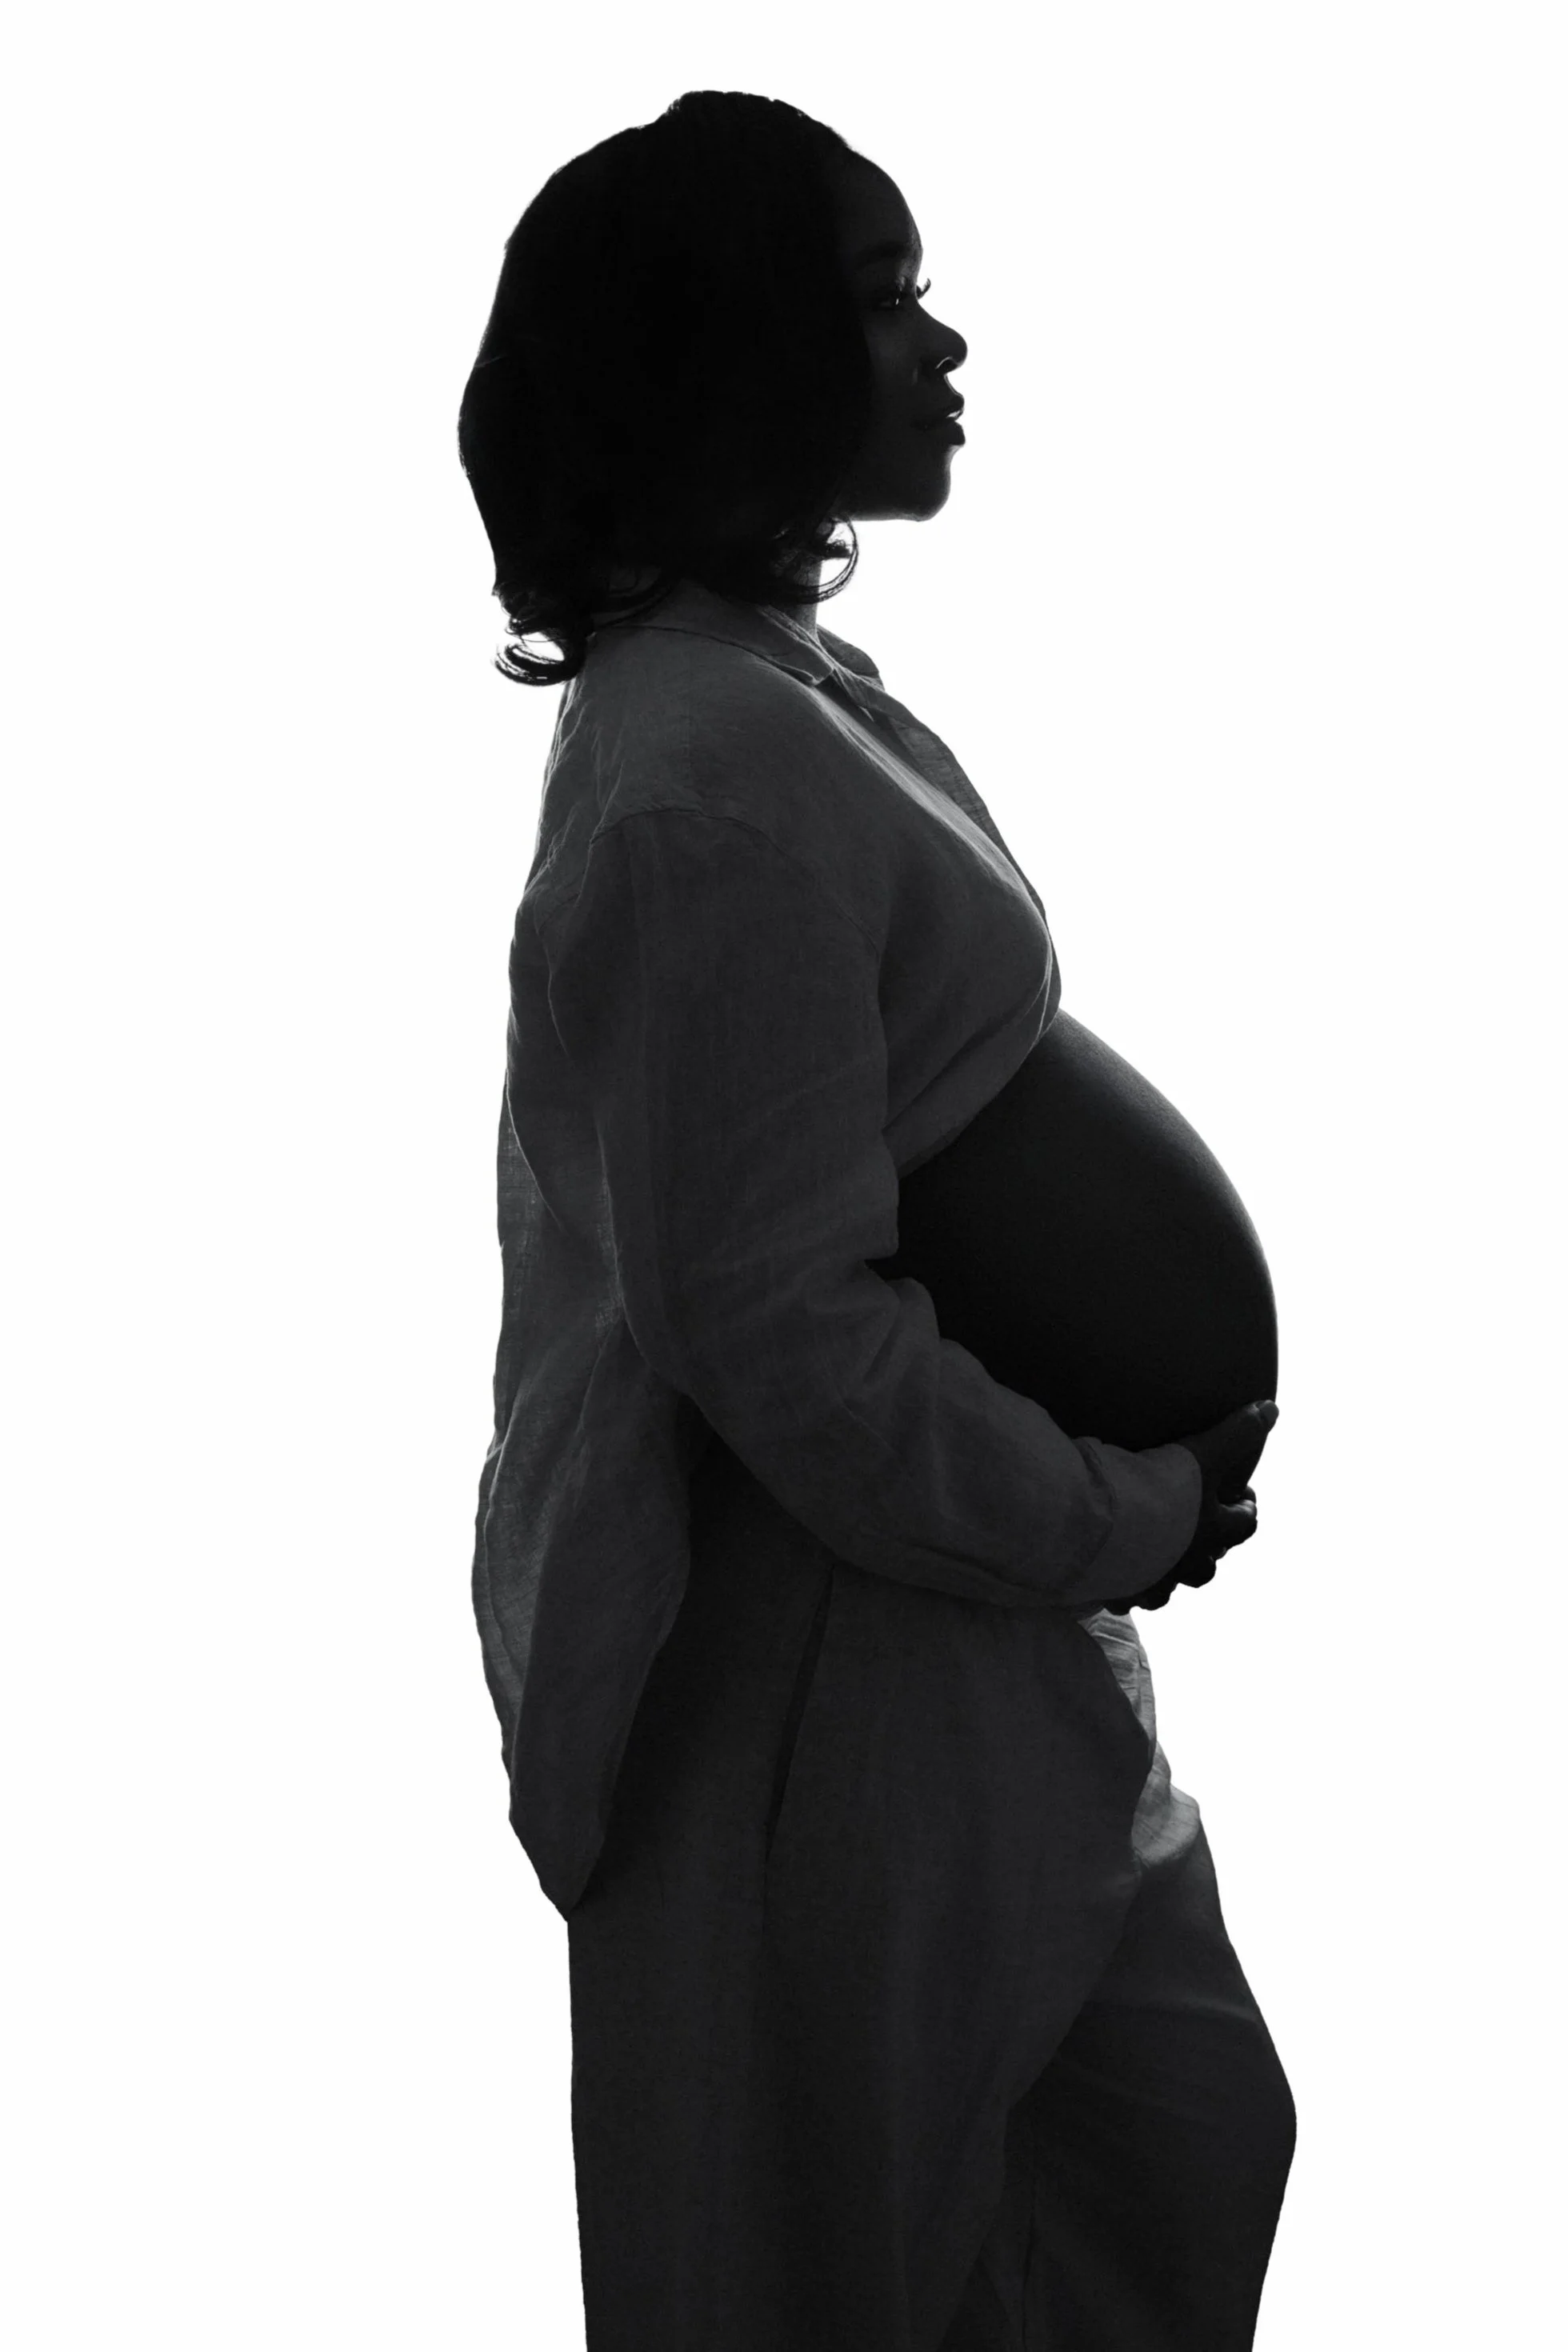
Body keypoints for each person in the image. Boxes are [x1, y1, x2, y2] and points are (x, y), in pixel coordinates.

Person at [458, 88, 1296, 2352]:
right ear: (732, 349)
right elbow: (784, 1341)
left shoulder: (771, 707)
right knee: (864, 2270)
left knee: (1161, 2158)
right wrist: (1111, 1498)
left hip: (942, 1637)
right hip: (828, 1677)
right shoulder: (692, 783)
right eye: (874, 294)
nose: (939, 345)